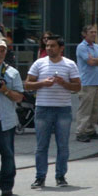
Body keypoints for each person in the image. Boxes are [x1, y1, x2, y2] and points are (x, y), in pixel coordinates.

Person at [25, 33, 82, 188]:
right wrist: (42, 83)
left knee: (62, 145)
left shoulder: (69, 64)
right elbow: (27, 84)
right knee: (41, 146)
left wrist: (64, 84)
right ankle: (40, 177)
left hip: (63, 109)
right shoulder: (39, 63)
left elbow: (77, 86)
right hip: (43, 108)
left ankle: (60, 176)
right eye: (47, 46)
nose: (49, 48)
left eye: (53, 46)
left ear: (61, 48)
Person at [0, 36, 24, 196]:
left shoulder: (12, 73)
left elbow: (19, 98)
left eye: (2, 50)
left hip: (5, 120)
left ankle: (6, 186)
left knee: (8, 154)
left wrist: (5, 90)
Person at [74, 25, 98, 143]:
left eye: (95, 32)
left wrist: (95, 60)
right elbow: (90, 62)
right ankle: (81, 132)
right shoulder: (81, 47)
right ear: (84, 34)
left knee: (95, 108)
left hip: (96, 81)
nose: (94, 34)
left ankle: (90, 130)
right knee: (85, 109)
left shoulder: (97, 46)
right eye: (91, 32)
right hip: (86, 82)